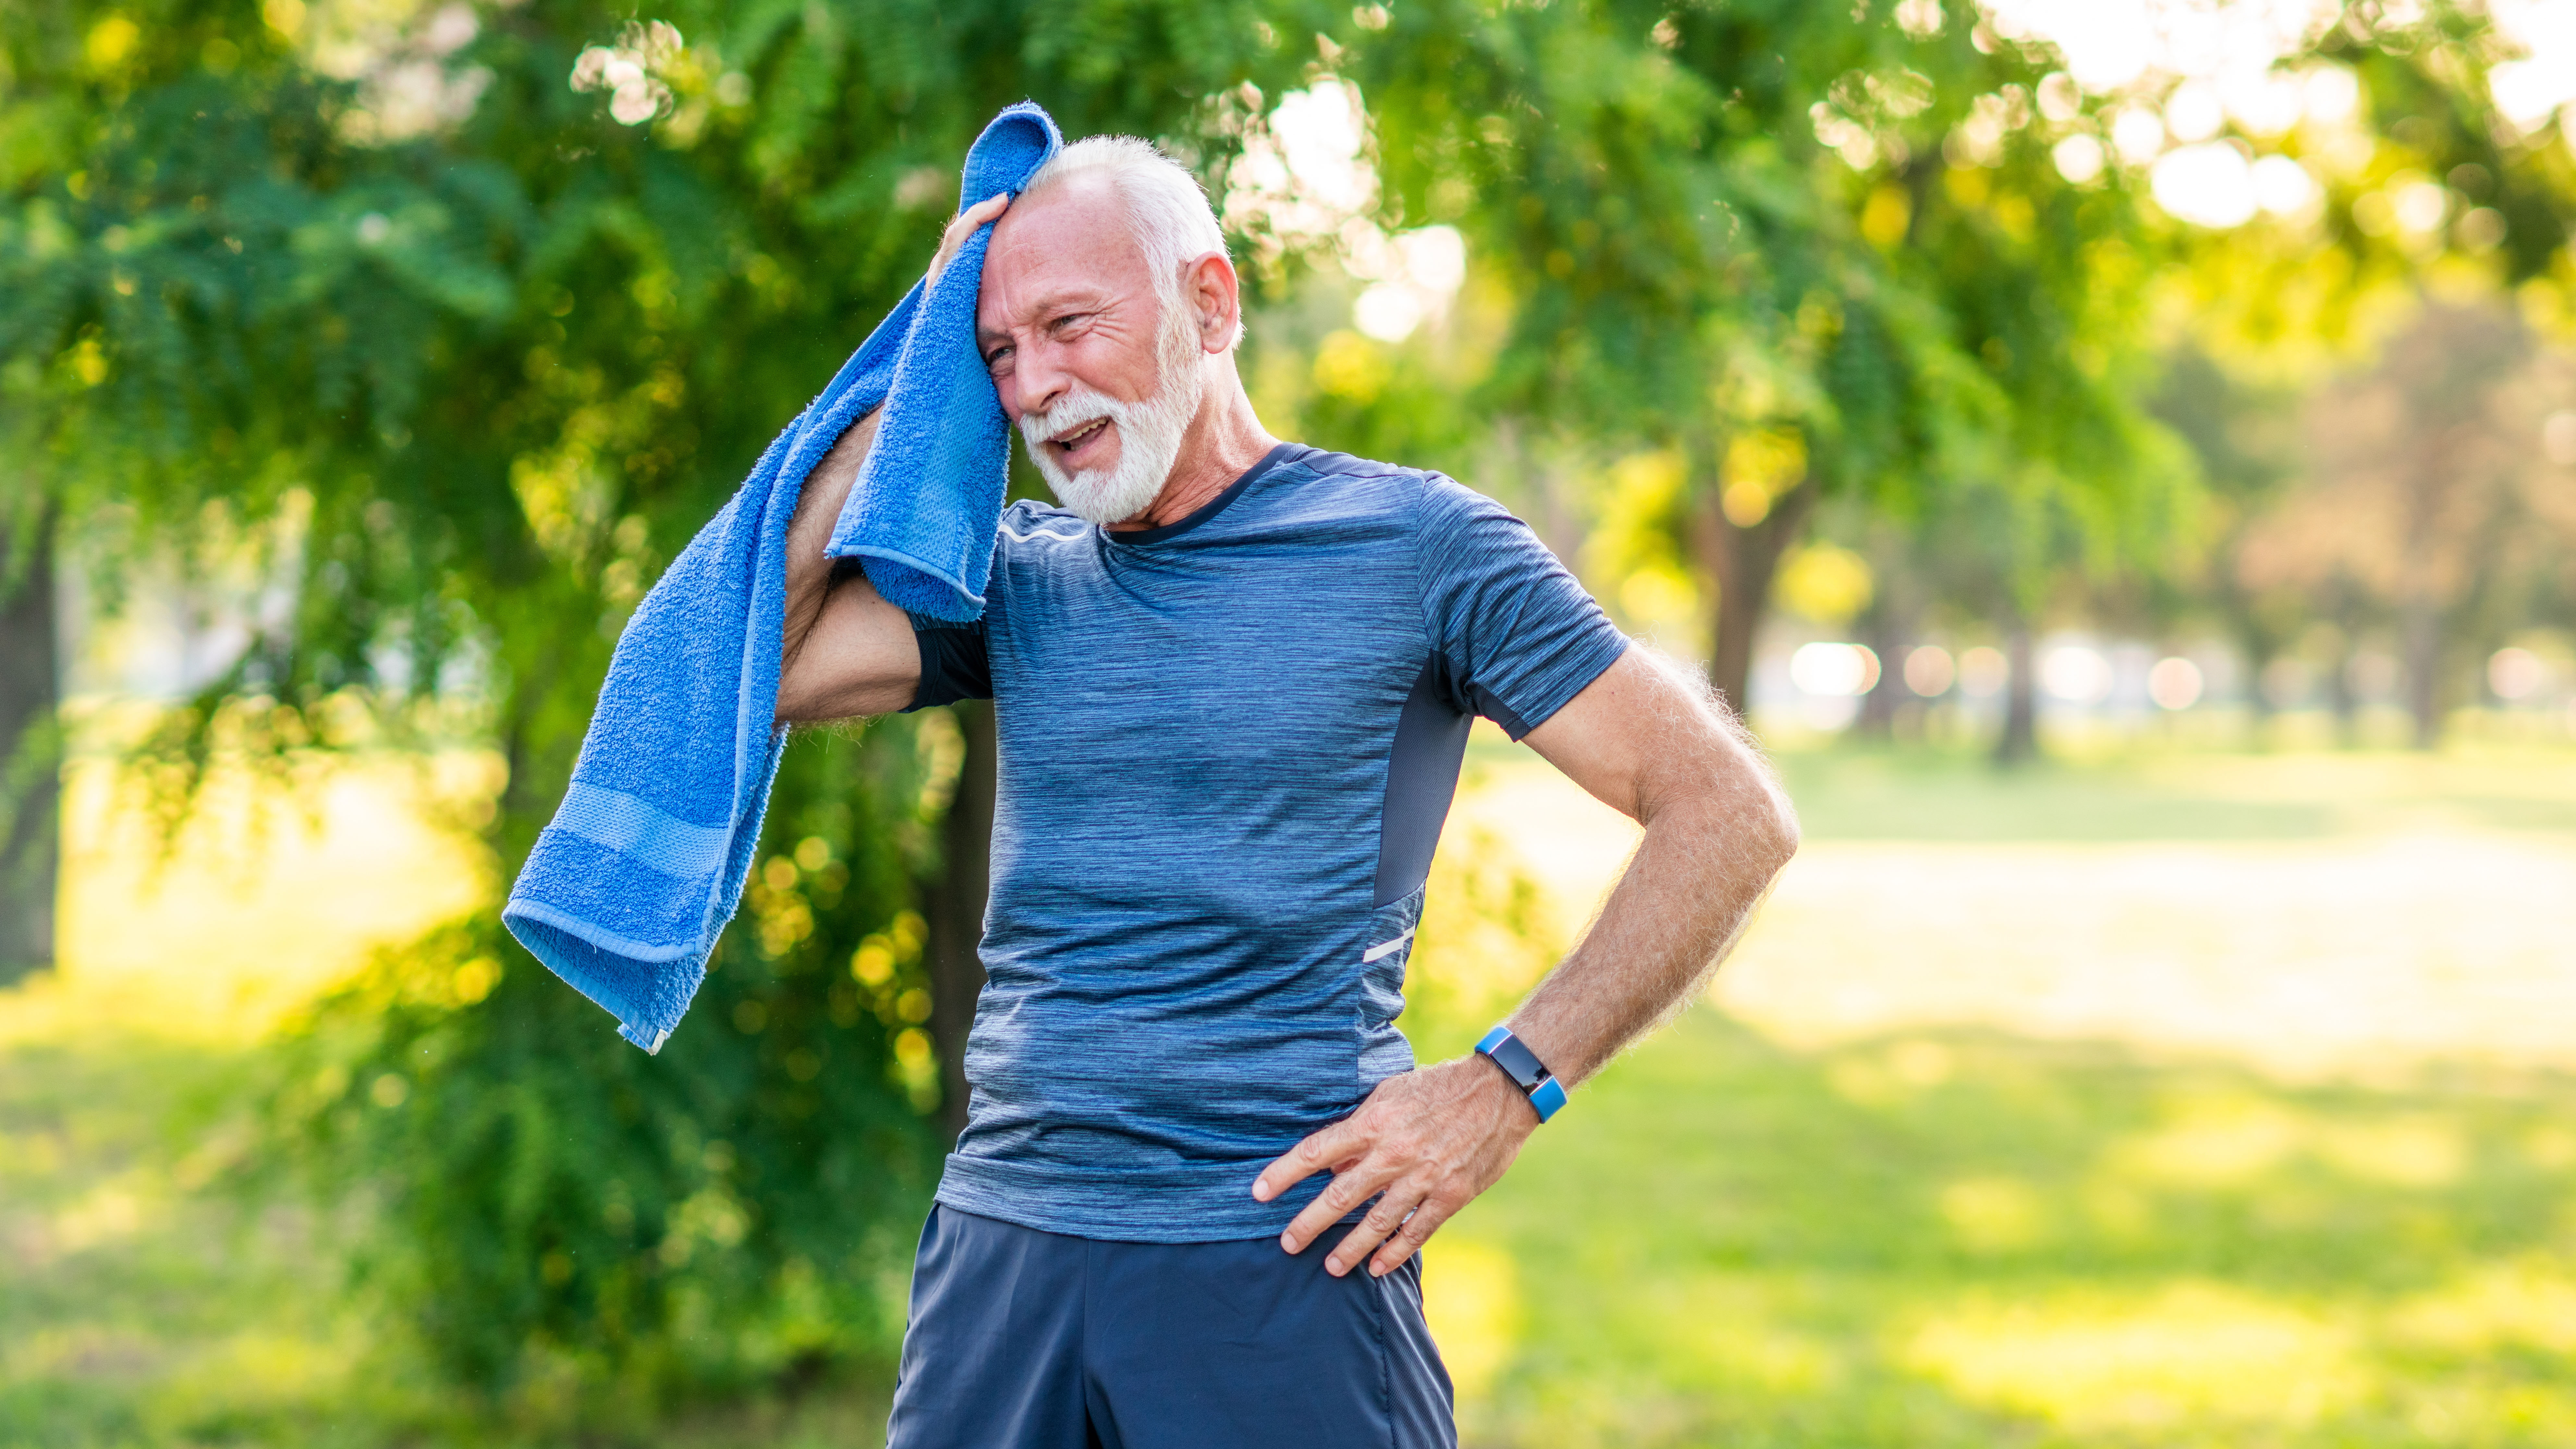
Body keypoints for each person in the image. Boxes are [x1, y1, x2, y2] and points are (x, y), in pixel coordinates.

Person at [772, 134, 1799, 1449]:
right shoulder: (1014, 572)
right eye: (999, 354)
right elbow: (776, 655)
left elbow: (1726, 812)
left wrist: (1504, 1086)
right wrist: (917, 371)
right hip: (1002, 1257)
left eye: (1069, 326)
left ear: (1211, 302)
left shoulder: (1422, 549)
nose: (1033, 386)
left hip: (1279, 1260)